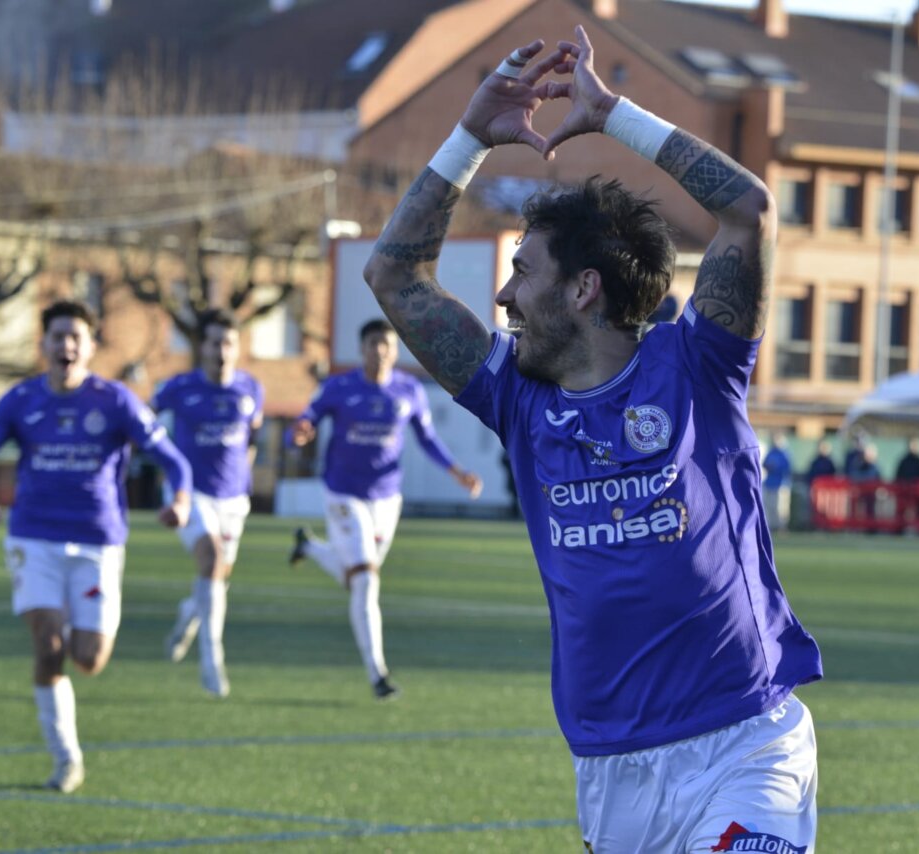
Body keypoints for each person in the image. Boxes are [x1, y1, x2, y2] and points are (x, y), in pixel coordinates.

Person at [361, 27, 820, 852]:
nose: (503, 294)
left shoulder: (698, 367)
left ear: (583, 288)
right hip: (611, 769)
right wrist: (469, 135)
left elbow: (748, 212)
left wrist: (615, 116)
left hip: (745, 743)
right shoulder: (516, 399)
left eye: (523, 272)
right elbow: (393, 274)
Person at [0, 301, 192, 793]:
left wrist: (182, 501)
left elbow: (175, 462)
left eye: (75, 337)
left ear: (90, 345)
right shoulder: (20, 401)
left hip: (98, 542)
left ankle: (68, 734)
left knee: (89, 658)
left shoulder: (116, 401)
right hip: (33, 536)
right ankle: (65, 760)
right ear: (43, 344)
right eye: (58, 336)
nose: (66, 345)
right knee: (49, 645)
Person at [288, 318, 483, 700]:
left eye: (387, 345)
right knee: (365, 579)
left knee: (360, 577)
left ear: (396, 351)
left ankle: (310, 547)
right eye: (374, 343)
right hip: (344, 494)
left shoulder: (409, 390)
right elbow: (305, 418)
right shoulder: (339, 387)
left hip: (387, 499)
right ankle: (377, 673)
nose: (380, 350)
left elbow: (427, 438)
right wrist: (300, 431)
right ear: (362, 349)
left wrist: (457, 471)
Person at [152, 309, 264, 698]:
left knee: (217, 577)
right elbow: (144, 423)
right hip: (189, 493)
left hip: (234, 499)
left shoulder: (251, 389)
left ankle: (187, 618)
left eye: (228, 342)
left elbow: (252, 438)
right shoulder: (178, 388)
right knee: (212, 561)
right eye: (215, 342)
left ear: (237, 347)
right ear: (202, 346)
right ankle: (211, 662)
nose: (221, 350)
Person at [894, 437, 919, 530]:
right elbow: (898, 475)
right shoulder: (903, 460)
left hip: (917, 491)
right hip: (905, 491)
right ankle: (900, 528)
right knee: (902, 510)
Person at [762, 432, 793, 532]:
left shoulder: (785, 454)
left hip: (781, 484)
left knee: (781, 508)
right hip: (769, 483)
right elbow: (765, 463)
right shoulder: (771, 452)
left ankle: (781, 527)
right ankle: (771, 526)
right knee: (770, 506)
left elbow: (787, 469)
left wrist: (775, 467)